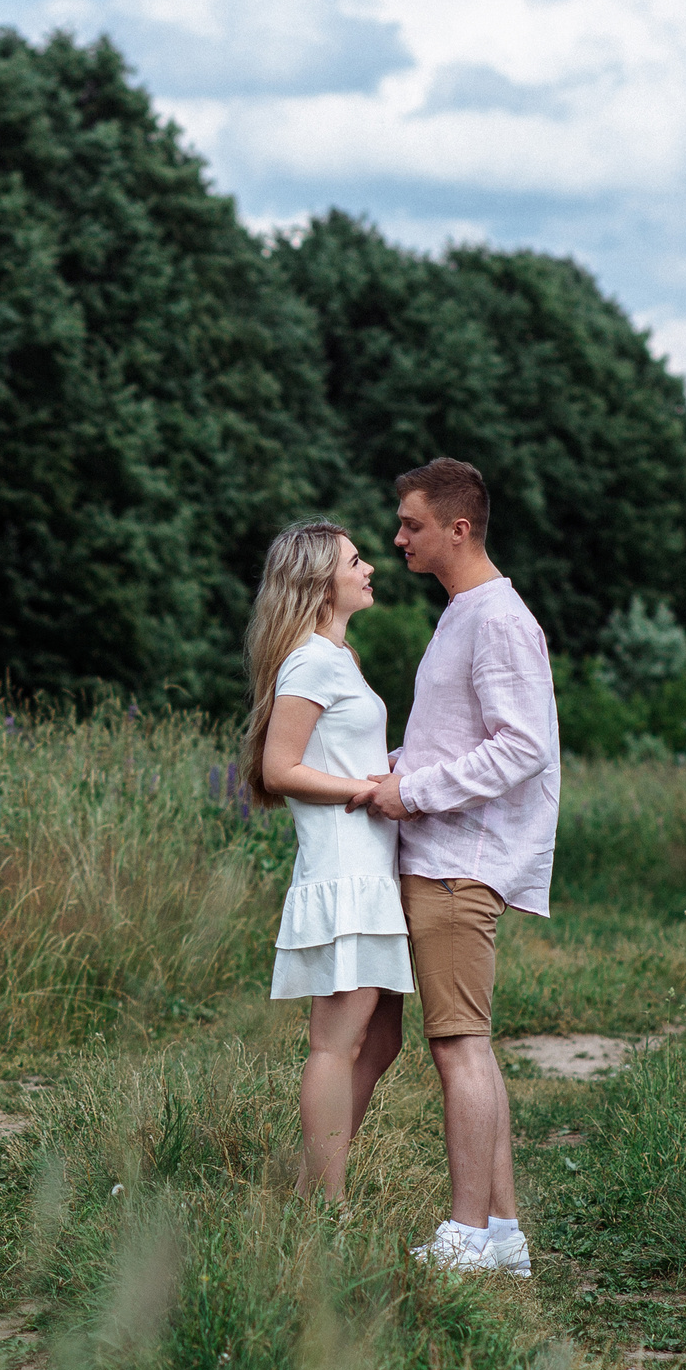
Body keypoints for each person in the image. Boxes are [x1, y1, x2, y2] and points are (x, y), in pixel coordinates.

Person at [349, 458, 558, 1277]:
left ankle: (466, 1235)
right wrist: (388, 772)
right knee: (469, 1044)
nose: (398, 537)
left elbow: (521, 746)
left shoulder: (497, 618)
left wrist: (412, 793)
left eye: (412, 524)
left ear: (458, 528)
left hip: (458, 863)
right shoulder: (464, 613)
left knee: (459, 1047)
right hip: (441, 852)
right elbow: (452, 739)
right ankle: (501, 1235)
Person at [242, 521, 414, 1204]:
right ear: (320, 582)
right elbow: (278, 768)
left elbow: (346, 752)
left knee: (381, 1039)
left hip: (372, 868)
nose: (370, 568)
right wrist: (364, 791)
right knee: (335, 1044)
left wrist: (397, 772)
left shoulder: (340, 657)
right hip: (346, 872)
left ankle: (314, 1180)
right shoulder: (311, 660)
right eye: (355, 560)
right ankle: (325, 1206)